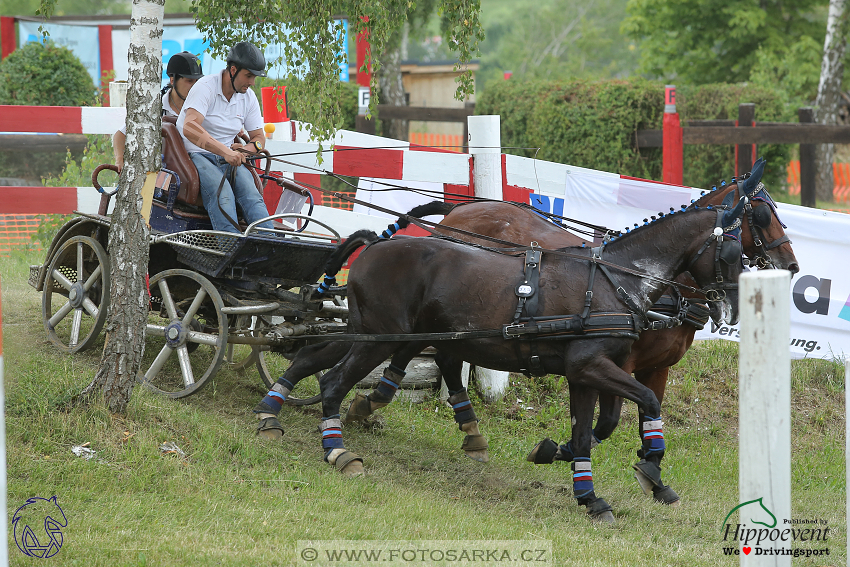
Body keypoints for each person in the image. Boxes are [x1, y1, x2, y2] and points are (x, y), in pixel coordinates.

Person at [176, 41, 273, 234]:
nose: (252, 82)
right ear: (233, 70)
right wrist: (226, 151)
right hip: (194, 155)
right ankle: (229, 250)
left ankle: (270, 247)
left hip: (227, 157)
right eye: (248, 76)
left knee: (253, 195)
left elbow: (259, 137)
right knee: (224, 196)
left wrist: (248, 149)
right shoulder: (206, 87)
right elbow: (190, 127)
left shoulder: (248, 97)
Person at [112, 51, 203, 173]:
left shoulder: (203, 105)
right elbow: (120, 135)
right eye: (189, 81)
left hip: (199, 167)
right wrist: (119, 160)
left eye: (198, 82)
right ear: (172, 80)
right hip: (164, 171)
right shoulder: (154, 108)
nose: (195, 86)